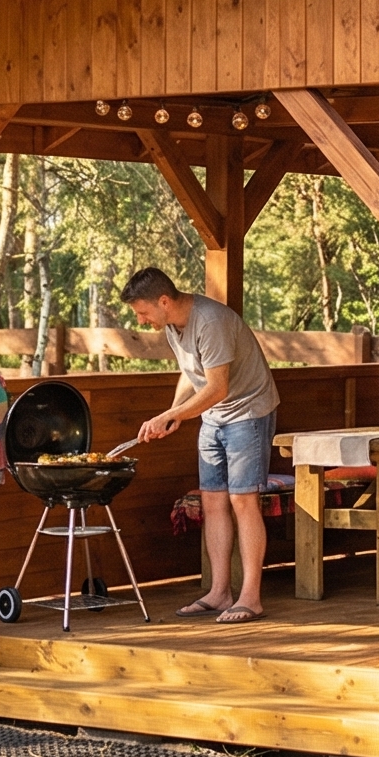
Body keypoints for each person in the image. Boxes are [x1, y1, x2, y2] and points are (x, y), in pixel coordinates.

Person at [124, 267, 280, 624]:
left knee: (243, 500)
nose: (142, 319)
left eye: (143, 311)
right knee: (212, 501)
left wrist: (176, 414)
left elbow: (217, 388)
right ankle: (220, 591)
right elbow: (191, 372)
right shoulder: (171, 326)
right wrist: (173, 413)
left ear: (164, 301)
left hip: (247, 412)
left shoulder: (210, 321)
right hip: (213, 417)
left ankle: (251, 598)